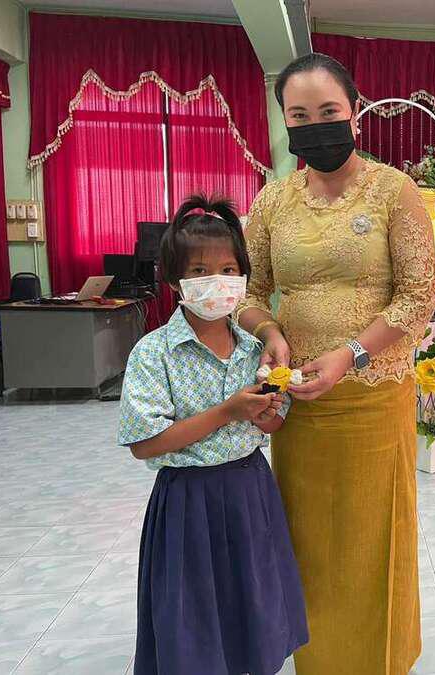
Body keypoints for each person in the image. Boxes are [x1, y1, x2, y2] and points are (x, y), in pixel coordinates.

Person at [235, 53, 435, 675]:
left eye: (328, 111)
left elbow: (419, 295)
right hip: (299, 406)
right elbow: (247, 293)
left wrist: (351, 354)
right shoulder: (272, 201)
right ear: (285, 123)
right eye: (299, 116)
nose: (315, 125)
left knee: (373, 540)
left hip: (373, 398)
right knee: (307, 541)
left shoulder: (394, 192)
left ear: (354, 113)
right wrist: (269, 330)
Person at [117, 194, 309, 675]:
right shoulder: (154, 352)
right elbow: (145, 443)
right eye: (200, 271)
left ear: (243, 277)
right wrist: (227, 411)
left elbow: (274, 423)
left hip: (249, 491)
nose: (216, 282)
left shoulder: (253, 349)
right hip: (188, 500)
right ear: (175, 280)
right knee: (194, 609)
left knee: (251, 599)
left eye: (227, 270)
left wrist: (265, 411)